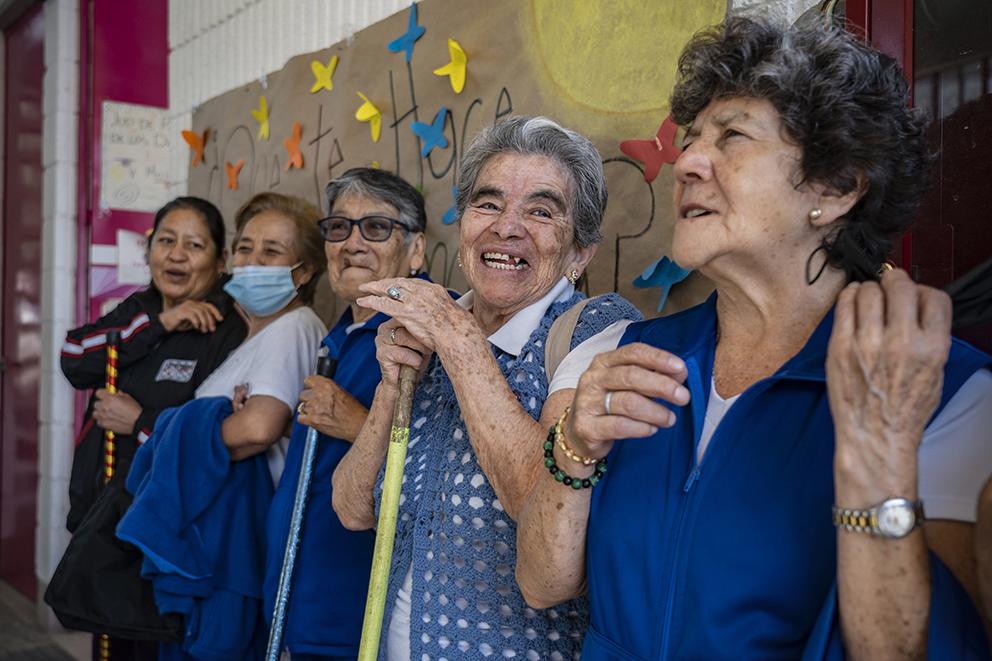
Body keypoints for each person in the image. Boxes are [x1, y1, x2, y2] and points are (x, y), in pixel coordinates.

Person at [515, 18, 992, 660]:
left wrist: (878, 454)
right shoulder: (622, 355)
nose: (686, 163)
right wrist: (573, 446)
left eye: (733, 136)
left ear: (837, 187)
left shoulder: (951, 398)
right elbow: (543, 586)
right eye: (689, 140)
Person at [332, 116, 642, 660]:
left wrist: (458, 341)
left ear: (579, 253)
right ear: (464, 227)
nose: (507, 227)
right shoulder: (431, 325)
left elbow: (543, 507)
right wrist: (391, 386)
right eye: (488, 204)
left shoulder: (596, 332)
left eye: (541, 211)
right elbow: (353, 509)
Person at [116, 192, 327, 661]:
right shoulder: (253, 336)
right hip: (216, 549)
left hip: (234, 554)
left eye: (272, 252)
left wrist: (177, 431)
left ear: (305, 271)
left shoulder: (294, 327)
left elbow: (259, 426)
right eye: (245, 247)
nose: (252, 261)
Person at [52, 196, 246, 660]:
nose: (176, 255)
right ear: (149, 249)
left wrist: (137, 421)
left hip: (164, 529)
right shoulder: (138, 311)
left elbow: (217, 433)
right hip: (105, 520)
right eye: (166, 241)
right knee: (112, 644)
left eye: (194, 245)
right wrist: (158, 323)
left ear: (220, 261)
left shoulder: (229, 328)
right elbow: (75, 358)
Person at [262, 168, 429, 660]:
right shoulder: (339, 334)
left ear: (415, 250)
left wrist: (356, 421)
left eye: (376, 227)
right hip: (298, 608)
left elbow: (445, 477)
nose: (352, 242)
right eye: (339, 227)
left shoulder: (424, 334)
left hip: (359, 617)